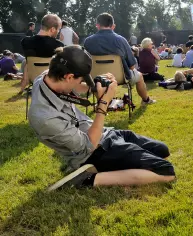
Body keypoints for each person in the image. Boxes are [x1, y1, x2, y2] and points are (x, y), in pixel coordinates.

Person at [28, 45, 175, 190]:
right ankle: (87, 179)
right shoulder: (45, 118)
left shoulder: (48, 76)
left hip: (105, 133)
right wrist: (104, 103)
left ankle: (116, 167)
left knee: (162, 150)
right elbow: (89, 145)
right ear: (69, 76)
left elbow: (74, 86)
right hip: (93, 152)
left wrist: (97, 87)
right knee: (166, 171)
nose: (82, 83)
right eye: (80, 79)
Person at [84, 13, 156, 105]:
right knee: (140, 76)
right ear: (113, 26)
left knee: (96, 81)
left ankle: (103, 102)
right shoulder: (121, 40)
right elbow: (132, 65)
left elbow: (85, 64)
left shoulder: (88, 41)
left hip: (95, 78)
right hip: (119, 77)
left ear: (97, 25)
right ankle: (146, 100)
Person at [20, 14, 64, 93]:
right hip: (52, 81)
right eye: (59, 29)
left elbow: (28, 62)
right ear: (52, 29)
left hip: (33, 79)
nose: (58, 32)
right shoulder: (59, 45)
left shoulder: (25, 42)